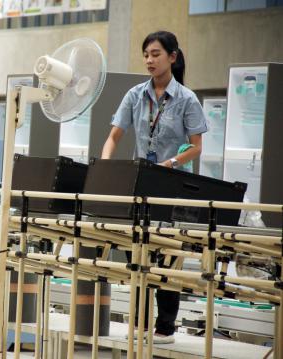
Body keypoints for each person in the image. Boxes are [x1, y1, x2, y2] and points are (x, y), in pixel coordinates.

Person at [101, 30, 208, 344]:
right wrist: (106, 166)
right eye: (146, 54)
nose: (149, 60)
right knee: (139, 251)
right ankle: (138, 323)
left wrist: (170, 164)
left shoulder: (187, 99)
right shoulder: (135, 94)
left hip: (173, 183)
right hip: (141, 181)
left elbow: (196, 147)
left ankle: (165, 327)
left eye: (156, 54)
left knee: (169, 256)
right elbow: (113, 137)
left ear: (172, 57)